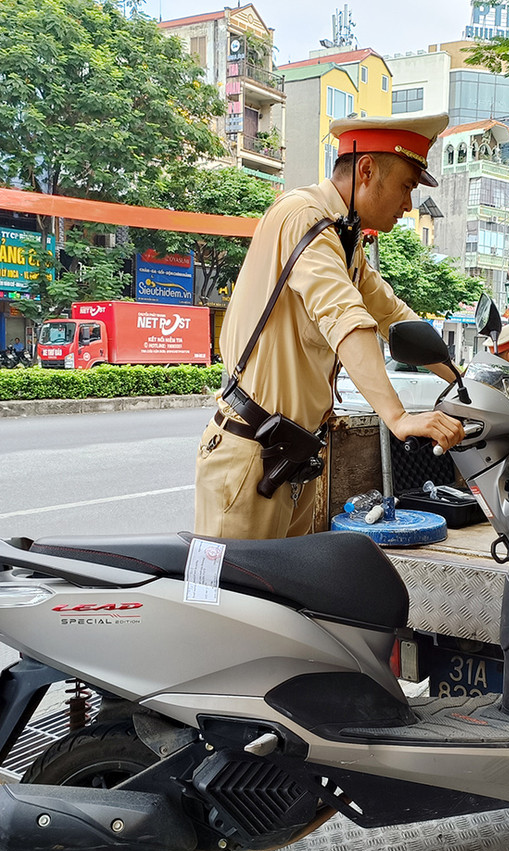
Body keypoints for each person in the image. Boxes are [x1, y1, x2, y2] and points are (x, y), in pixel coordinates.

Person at [194, 113, 464, 540]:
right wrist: (397, 417)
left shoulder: (343, 239)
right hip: (251, 457)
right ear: (366, 170)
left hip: (293, 460)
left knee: (291, 585)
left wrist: (463, 382)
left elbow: (392, 315)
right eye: (407, 186)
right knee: (240, 585)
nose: (409, 204)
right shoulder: (304, 217)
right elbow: (346, 317)